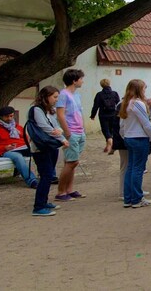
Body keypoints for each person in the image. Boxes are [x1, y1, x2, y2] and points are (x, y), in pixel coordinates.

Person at [26, 86, 66, 216]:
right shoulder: (36, 109)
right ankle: (38, 207)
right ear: (46, 97)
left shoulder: (49, 110)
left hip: (50, 146)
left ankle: (43, 202)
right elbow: (45, 127)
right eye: (54, 97)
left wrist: (59, 133)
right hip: (41, 147)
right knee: (46, 175)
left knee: (49, 176)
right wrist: (62, 138)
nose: (56, 99)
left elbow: (56, 126)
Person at [119, 79, 151, 208]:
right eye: (144, 88)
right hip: (139, 137)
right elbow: (146, 123)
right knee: (138, 169)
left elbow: (122, 125)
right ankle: (137, 198)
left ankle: (128, 198)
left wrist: (124, 135)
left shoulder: (126, 102)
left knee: (131, 168)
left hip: (129, 137)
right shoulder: (137, 103)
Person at [0, 106, 38, 188]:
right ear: (1, 117)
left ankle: (48, 176)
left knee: (40, 150)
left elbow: (25, 138)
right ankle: (32, 181)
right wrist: (4, 147)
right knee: (17, 157)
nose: (9, 118)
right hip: (4, 151)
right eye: (6, 116)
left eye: (11, 116)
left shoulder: (16, 127)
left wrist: (29, 141)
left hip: (22, 148)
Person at [55, 68, 87, 202]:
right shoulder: (63, 95)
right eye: (81, 79)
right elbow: (60, 115)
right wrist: (67, 132)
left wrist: (83, 128)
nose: (82, 81)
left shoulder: (76, 95)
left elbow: (79, 112)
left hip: (79, 131)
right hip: (71, 132)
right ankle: (61, 191)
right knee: (72, 162)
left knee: (72, 162)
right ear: (74, 81)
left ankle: (70, 189)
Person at [90, 79, 121, 154]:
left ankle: (109, 141)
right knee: (111, 130)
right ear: (109, 84)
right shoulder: (115, 93)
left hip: (103, 115)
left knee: (105, 129)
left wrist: (92, 115)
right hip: (113, 114)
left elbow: (95, 106)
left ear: (101, 85)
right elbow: (118, 104)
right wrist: (119, 114)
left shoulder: (99, 94)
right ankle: (108, 144)